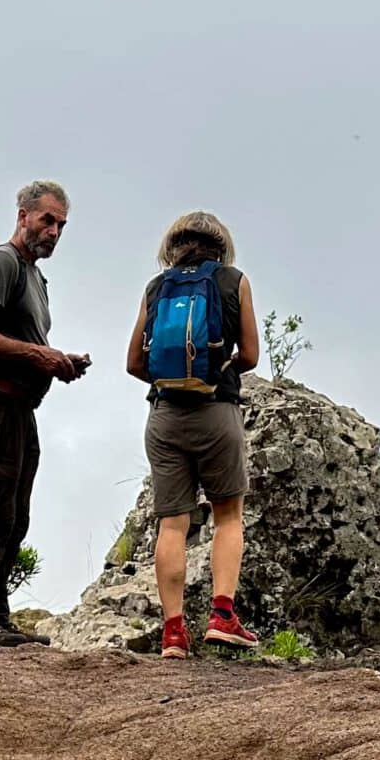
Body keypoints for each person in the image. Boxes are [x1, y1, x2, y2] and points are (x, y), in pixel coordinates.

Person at [0, 180, 91, 646]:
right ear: (23, 215)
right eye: (46, 220)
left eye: (61, 225)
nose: (53, 232)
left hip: (17, 406)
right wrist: (39, 357)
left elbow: (25, 341)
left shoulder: (33, 274)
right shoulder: (3, 263)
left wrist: (59, 361)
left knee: (16, 514)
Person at [126, 211, 262, 658]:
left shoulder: (157, 287)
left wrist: (172, 381)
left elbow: (133, 364)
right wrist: (217, 371)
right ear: (221, 245)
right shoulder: (233, 281)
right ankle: (222, 617)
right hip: (216, 411)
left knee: (172, 523)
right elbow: (252, 355)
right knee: (228, 515)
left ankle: (172, 634)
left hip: (165, 416)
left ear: (173, 244)